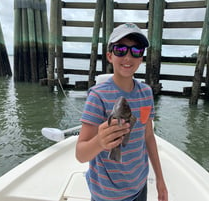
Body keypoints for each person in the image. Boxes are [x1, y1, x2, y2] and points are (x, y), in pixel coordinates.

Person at [76, 23, 168, 201]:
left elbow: (148, 136)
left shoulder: (146, 93)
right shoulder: (98, 96)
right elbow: (80, 154)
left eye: (136, 51)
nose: (128, 57)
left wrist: (160, 179)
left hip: (139, 186)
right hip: (107, 195)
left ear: (141, 57)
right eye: (120, 49)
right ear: (110, 56)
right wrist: (100, 142)